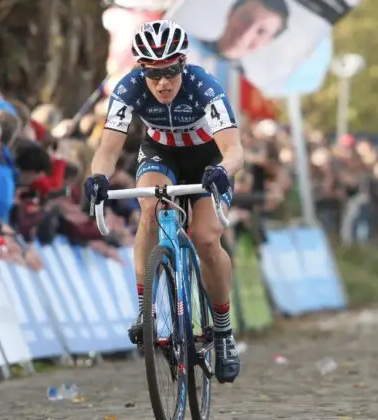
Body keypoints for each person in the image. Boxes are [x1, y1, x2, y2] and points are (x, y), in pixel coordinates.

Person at [84, 20, 244, 383]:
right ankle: (147, 310)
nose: (163, 82)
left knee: (205, 237)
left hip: (208, 160)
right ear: (142, 69)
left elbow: (234, 150)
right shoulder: (128, 89)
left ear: (182, 63)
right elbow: (107, 150)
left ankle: (222, 332)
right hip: (161, 155)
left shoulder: (204, 85)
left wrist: (222, 171)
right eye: (154, 74)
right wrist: (97, 178)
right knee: (150, 214)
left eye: (171, 71)